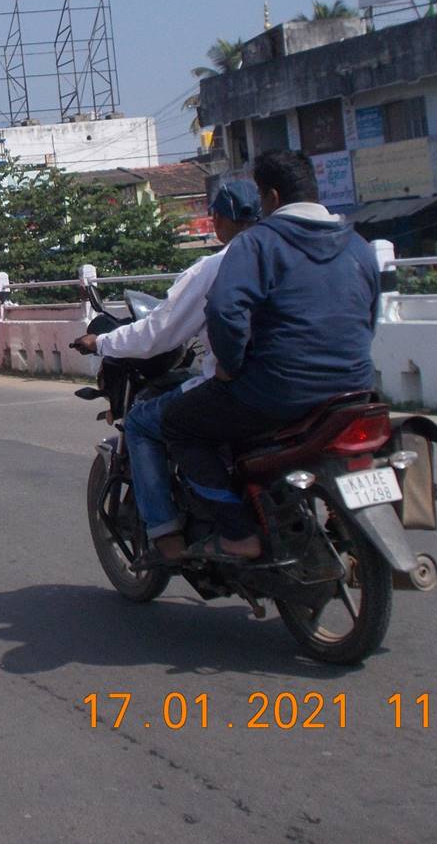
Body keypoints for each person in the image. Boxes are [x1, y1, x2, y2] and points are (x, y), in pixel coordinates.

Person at [160, 150, 380, 561]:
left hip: (275, 394)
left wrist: (230, 367)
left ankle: (237, 533)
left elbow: (224, 311)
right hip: (354, 390)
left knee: (177, 423)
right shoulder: (359, 247)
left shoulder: (258, 243)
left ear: (273, 197)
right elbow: (370, 317)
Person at [72, 181, 261, 563]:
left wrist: (102, 342)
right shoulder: (292, 255)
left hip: (247, 388)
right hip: (326, 382)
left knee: (143, 422)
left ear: (218, 219)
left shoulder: (216, 267)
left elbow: (157, 334)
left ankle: (167, 537)